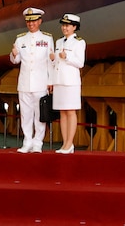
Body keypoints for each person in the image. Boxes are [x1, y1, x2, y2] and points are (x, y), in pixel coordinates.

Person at [10, 6, 54, 153]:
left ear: (40, 21)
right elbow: (16, 61)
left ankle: (38, 143)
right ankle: (27, 141)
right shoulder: (20, 38)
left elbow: (50, 61)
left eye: (34, 21)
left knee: (40, 115)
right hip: (24, 83)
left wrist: (51, 81)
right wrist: (14, 53)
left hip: (41, 82)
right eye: (28, 21)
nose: (31, 24)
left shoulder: (47, 39)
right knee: (26, 114)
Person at [50, 13, 86, 154]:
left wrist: (67, 57)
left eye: (67, 25)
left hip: (71, 82)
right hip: (59, 81)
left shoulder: (79, 42)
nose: (64, 28)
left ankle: (70, 143)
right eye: (63, 25)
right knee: (62, 113)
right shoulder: (59, 42)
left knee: (70, 112)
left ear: (74, 27)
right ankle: (65, 144)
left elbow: (80, 63)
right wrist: (54, 59)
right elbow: (57, 63)